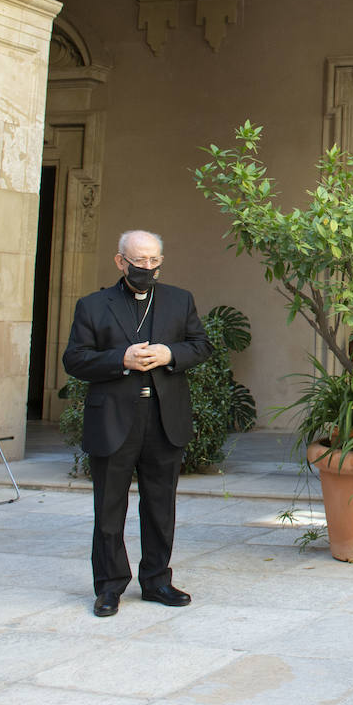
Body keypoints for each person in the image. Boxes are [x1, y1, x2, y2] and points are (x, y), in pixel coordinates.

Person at [63, 230, 212, 617]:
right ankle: (109, 586)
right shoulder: (93, 306)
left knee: (160, 505)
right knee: (109, 507)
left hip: (164, 418)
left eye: (153, 261)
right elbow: (75, 359)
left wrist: (168, 353)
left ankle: (157, 581)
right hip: (114, 419)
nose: (146, 268)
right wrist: (120, 359)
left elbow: (201, 345)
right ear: (120, 261)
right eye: (138, 261)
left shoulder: (180, 300)